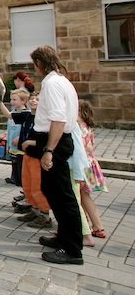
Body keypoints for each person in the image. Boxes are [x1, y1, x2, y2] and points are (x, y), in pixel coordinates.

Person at [29, 45, 82, 265]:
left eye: (34, 64)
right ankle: (63, 237)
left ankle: (72, 250)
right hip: (56, 139)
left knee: (62, 196)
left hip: (56, 141)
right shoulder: (61, 81)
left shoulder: (51, 84)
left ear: (39, 64)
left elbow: (59, 120)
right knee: (53, 191)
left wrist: (49, 150)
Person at [17, 93, 54, 229]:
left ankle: (45, 216)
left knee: (37, 187)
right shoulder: (28, 116)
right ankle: (34, 210)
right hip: (28, 155)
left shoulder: (46, 118)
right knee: (28, 185)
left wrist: (30, 142)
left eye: (37, 99)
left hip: (38, 156)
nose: (33, 101)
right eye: (32, 99)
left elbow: (48, 137)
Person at [77, 99, 108, 240]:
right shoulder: (86, 127)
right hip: (89, 164)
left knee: (83, 196)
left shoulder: (80, 128)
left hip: (83, 165)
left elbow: (83, 147)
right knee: (83, 196)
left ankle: (96, 226)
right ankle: (90, 225)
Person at [0, 88, 28, 187]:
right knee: (15, 167)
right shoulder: (14, 112)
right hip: (13, 147)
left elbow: (27, 129)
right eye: (11, 99)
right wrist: (5, 134)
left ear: (23, 101)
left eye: (14, 99)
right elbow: (10, 122)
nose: (12, 102)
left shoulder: (26, 114)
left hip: (21, 148)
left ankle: (25, 193)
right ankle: (17, 183)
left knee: (22, 172)